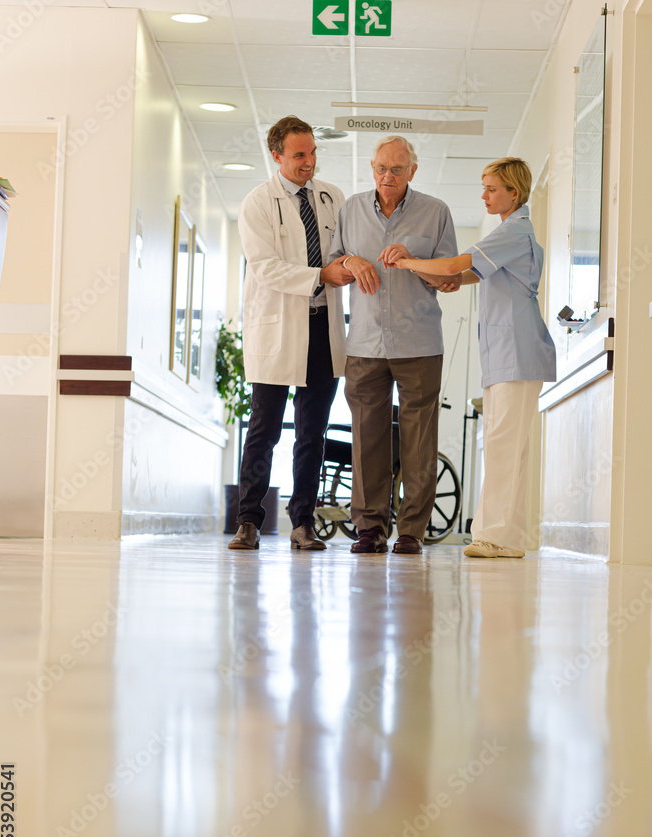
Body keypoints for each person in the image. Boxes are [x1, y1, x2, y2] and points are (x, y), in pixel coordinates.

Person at [386, 157, 556, 558]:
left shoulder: (515, 231)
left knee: (502, 444)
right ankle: (509, 537)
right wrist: (431, 274)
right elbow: (459, 277)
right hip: (506, 354)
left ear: (514, 193)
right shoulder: (508, 233)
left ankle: (493, 536)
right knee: (508, 446)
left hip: (516, 351)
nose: (484, 195)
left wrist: (408, 260)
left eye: (492, 189)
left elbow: (453, 265)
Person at [328, 136, 460, 555]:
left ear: (412, 172)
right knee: (367, 437)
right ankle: (370, 528)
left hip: (419, 342)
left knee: (419, 439)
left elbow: (450, 279)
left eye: (397, 170)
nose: (388, 176)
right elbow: (331, 267)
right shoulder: (350, 210)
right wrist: (350, 261)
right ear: (372, 168)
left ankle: (411, 531)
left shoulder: (435, 212)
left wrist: (414, 261)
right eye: (381, 168)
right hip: (365, 342)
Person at [229, 116, 354, 551]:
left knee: (312, 431)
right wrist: (321, 273)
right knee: (264, 428)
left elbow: (347, 253)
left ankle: (303, 522)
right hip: (279, 327)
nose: (309, 162)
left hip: (322, 325)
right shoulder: (258, 202)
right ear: (277, 155)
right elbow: (264, 267)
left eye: (313, 153)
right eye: (299, 155)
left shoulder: (332, 197)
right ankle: (248, 521)